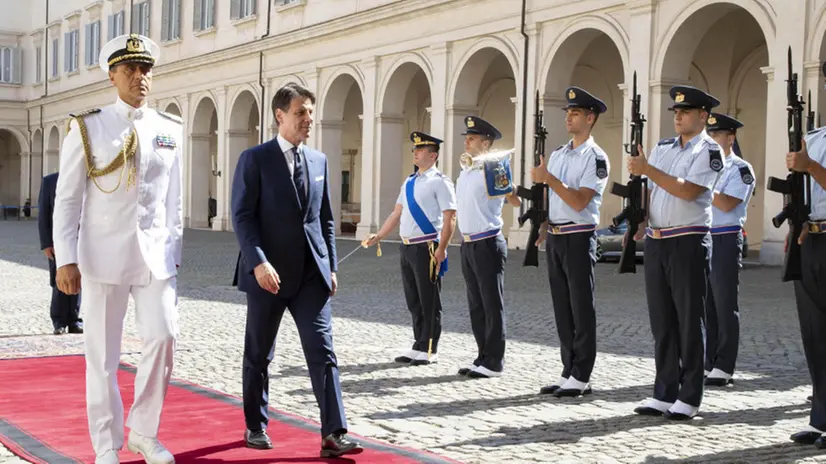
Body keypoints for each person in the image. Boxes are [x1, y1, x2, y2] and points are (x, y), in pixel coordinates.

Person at [52, 34, 182, 464]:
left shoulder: (168, 129)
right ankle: (106, 444)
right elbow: (68, 199)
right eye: (130, 70)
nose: (139, 77)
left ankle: (144, 432)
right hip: (103, 255)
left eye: (145, 69)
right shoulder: (89, 127)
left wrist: (173, 250)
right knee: (103, 359)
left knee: (163, 337)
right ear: (113, 75)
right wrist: (65, 258)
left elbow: (173, 200)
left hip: (154, 257)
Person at [231, 82, 362, 458]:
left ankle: (333, 433)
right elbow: (242, 217)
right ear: (280, 115)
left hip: (310, 277)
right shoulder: (254, 159)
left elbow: (325, 220)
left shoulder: (319, 161)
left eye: (310, 112)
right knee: (259, 353)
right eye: (301, 112)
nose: (308, 119)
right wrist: (258, 263)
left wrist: (331, 266)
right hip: (267, 276)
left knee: (323, 352)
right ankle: (255, 424)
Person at [627, 85, 723, 420]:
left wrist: (647, 169)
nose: (678, 117)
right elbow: (651, 190)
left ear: (703, 116)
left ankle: (689, 394)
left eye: (685, 112)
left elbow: (687, 191)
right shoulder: (663, 147)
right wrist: (639, 220)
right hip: (658, 238)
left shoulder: (709, 151)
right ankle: (664, 390)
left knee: (688, 319)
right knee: (662, 320)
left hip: (688, 239)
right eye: (676, 113)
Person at [531, 87, 609, 396]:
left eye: (575, 113)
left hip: (579, 236)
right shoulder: (560, 154)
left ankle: (582, 374)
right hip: (557, 235)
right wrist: (544, 223)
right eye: (567, 113)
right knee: (562, 307)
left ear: (590, 118)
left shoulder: (596, 157)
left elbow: (579, 200)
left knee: (580, 307)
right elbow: (555, 198)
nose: (569, 117)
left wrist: (548, 178)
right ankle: (568, 370)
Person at [364, 132, 457, 366]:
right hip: (407, 247)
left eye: (420, 149)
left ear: (433, 155)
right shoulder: (409, 182)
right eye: (415, 149)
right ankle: (418, 344)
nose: (414, 152)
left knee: (429, 299)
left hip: (427, 246)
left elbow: (450, 218)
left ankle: (429, 348)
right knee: (414, 299)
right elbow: (397, 213)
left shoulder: (441, 181)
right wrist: (380, 235)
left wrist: (442, 248)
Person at [455, 116, 520, 379]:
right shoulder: (466, 170)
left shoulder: (493, 167)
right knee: (476, 304)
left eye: (472, 138)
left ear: (486, 143)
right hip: (468, 243)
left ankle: (494, 361)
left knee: (492, 303)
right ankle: (482, 355)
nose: (467, 142)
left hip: (487, 241)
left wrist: (505, 179)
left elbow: (514, 201)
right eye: (467, 138)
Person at [704, 113, 755, 387]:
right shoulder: (704, 167)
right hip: (703, 237)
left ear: (730, 137)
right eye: (709, 135)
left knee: (724, 304)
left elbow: (726, 204)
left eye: (716, 135)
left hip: (725, 237)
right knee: (705, 304)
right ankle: (707, 360)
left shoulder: (740, 169)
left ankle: (724, 365)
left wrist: (700, 186)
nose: (711, 139)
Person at [785, 123, 826, 447]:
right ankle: (821, 418)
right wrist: (797, 220)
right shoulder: (813, 139)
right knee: (815, 334)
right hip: (811, 237)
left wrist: (810, 166)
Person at [38, 171, 83, 335]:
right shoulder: (50, 181)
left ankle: (74, 320)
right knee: (58, 282)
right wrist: (46, 243)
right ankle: (59, 321)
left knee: (79, 281)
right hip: (58, 243)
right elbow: (44, 214)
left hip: (81, 240)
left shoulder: (85, 178)